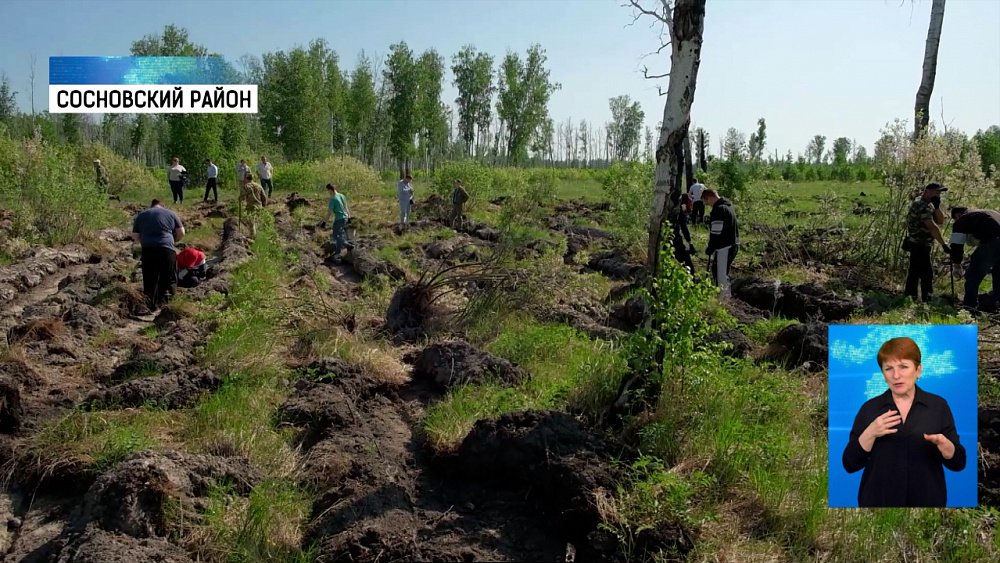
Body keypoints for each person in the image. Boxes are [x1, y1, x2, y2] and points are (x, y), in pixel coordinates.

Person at [841, 337, 966, 507]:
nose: (896, 375)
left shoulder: (938, 406)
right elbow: (849, 464)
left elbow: (959, 462)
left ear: (918, 370)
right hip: (877, 507)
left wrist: (947, 447)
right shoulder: (870, 409)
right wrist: (870, 433)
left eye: (903, 367)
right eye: (888, 369)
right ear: (883, 374)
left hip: (927, 506)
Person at [131, 199, 185, 311]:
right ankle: (166, 306)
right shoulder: (170, 213)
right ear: (162, 205)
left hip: (148, 250)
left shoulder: (141, 215)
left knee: (150, 279)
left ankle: (150, 306)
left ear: (151, 206)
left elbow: (135, 235)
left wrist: (144, 242)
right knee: (169, 277)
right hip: (166, 249)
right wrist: (173, 241)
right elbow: (181, 232)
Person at [903, 182, 949, 302]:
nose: (938, 195)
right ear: (927, 191)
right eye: (936, 192)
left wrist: (937, 207)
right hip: (919, 243)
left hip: (922, 244)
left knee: (915, 271)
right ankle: (927, 298)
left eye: (939, 193)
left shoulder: (930, 205)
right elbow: (932, 226)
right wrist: (943, 245)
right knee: (926, 273)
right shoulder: (920, 205)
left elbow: (940, 221)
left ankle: (910, 296)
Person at [947, 206, 1000, 311]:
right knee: (998, 275)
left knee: (973, 276)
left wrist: (957, 264)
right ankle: (994, 303)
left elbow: (956, 245)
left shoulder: (962, 220)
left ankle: (970, 308)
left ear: (957, 215)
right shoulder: (990, 212)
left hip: (992, 243)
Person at [702, 188, 739, 295]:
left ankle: (725, 300)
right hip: (732, 244)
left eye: (706, 201)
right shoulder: (728, 206)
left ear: (709, 197)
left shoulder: (719, 209)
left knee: (721, 274)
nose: (707, 204)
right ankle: (725, 296)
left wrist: (710, 247)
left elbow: (716, 232)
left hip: (724, 246)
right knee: (721, 272)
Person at [322, 183, 355, 261]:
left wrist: (324, 222)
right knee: (340, 234)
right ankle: (337, 252)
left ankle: (346, 245)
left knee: (336, 235)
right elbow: (346, 206)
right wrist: (349, 216)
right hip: (345, 217)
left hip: (339, 219)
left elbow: (329, 212)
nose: (328, 192)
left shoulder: (332, 199)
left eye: (328, 191)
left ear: (330, 190)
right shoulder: (341, 195)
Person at [669, 189, 695, 274]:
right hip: (675, 239)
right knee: (687, 263)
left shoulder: (666, 208)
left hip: (665, 238)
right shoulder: (678, 210)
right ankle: (692, 281)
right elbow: (684, 228)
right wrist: (690, 243)